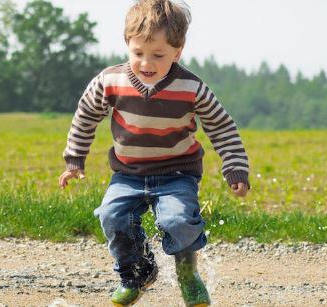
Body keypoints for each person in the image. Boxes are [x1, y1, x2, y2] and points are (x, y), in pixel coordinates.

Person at [58, 0, 249, 305]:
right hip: (128, 173)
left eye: (158, 55)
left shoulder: (191, 87)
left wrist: (235, 168)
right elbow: (85, 116)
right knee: (112, 216)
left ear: (178, 50)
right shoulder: (110, 82)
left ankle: (188, 273)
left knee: (178, 221)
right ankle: (137, 274)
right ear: (127, 44)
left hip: (177, 173)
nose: (147, 63)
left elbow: (222, 127)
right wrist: (74, 159)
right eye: (138, 54)